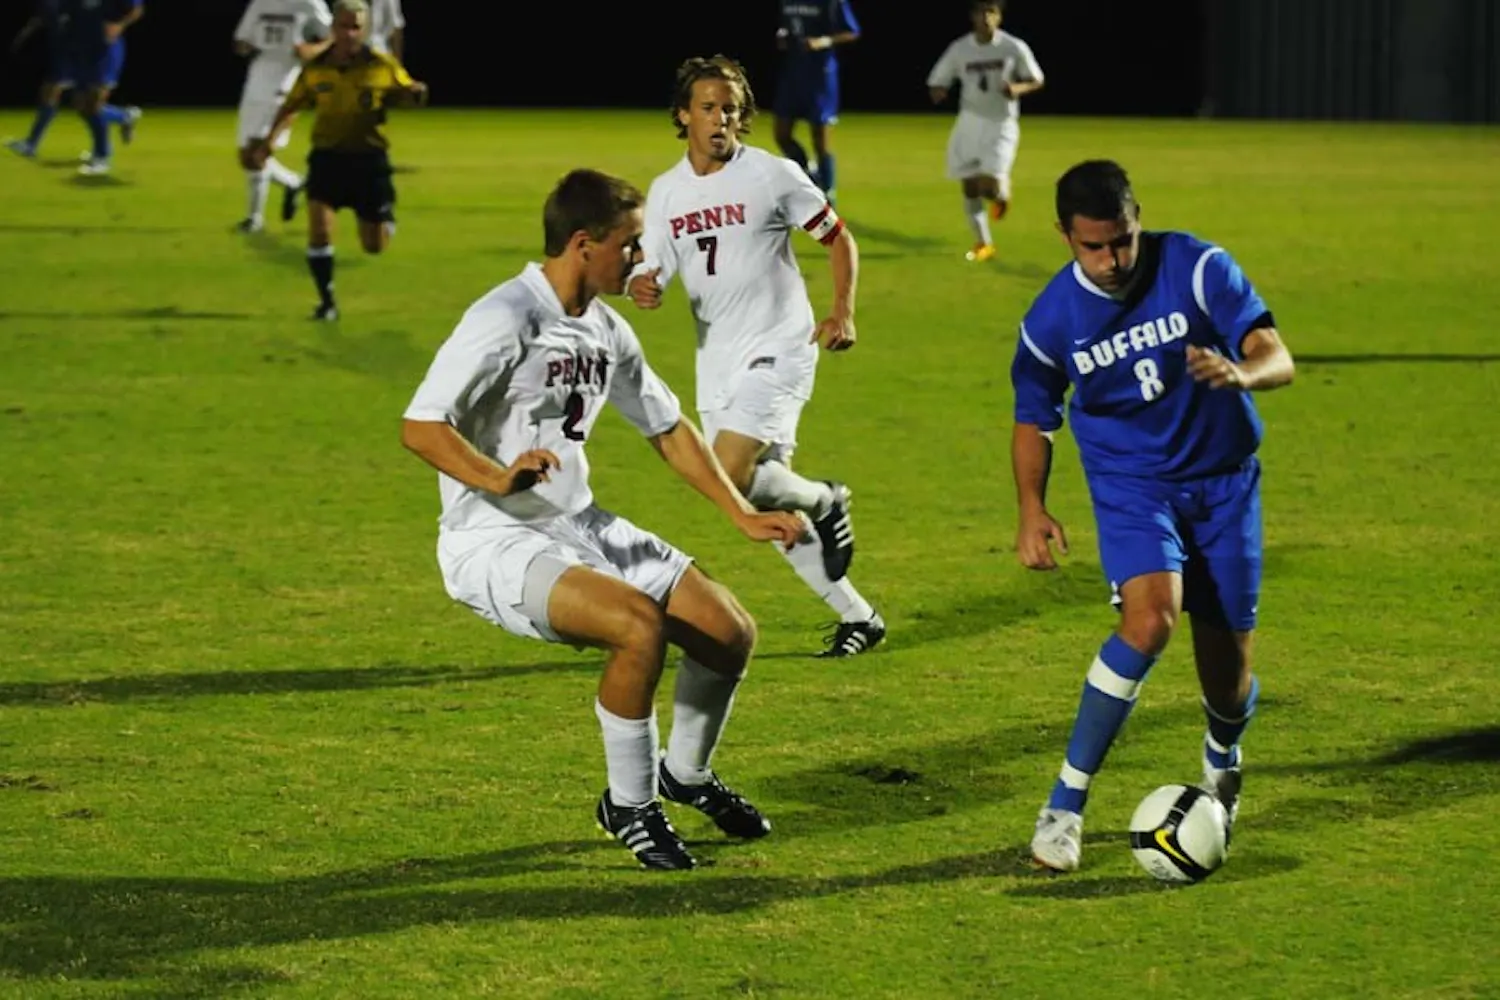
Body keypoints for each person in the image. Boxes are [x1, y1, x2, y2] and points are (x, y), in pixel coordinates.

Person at [401, 168, 807, 871]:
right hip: (493, 538)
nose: (640, 258)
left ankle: (686, 775)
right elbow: (421, 425)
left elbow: (669, 427)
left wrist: (742, 513)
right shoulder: (505, 317)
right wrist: (496, 477)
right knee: (636, 627)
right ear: (584, 242)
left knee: (729, 632)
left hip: (579, 524)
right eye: (630, 243)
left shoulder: (605, 326)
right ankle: (631, 805)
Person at [1009, 159, 1296, 872]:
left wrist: (1241, 373)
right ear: (1065, 237)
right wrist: (1031, 509)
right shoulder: (1050, 320)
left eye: (1123, 242)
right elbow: (1033, 419)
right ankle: (1064, 806)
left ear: (1138, 219)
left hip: (1226, 482)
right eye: (1094, 247)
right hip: (1134, 485)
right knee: (1149, 619)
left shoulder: (1199, 268)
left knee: (1226, 677)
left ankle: (1222, 758)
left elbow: (1275, 354)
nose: (1111, 261)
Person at [627, 55, 886, 659]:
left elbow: (837, 238)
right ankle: (859, 615)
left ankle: (827, 499)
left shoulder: (773, 175)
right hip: (716, 361)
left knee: (732, 471)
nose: (720, 119)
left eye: (731, 110)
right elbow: (652, 265)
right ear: (683, 115)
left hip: (781, 346)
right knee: (757, 502)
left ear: (744, 119)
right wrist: (645, 283)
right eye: (709, 107)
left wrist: (841, 310)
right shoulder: (665, 192)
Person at [248, 0, 426, 321]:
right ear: (333, 28)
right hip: (327, 158)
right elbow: (291, 106)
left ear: (365, 29)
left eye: (356, 27)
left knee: (374, 245)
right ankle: (326, 301)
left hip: (369, 160)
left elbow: (406, 92)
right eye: (343, 26)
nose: (349, 33)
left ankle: (386, 218)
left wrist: (414, 94)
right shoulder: (316, 68)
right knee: (319, 230)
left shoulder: (381, 64)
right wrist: (268, 143)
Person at [926, 0, 1043, 262]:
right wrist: (939, 89)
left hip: (1001, 123)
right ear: (973, 16)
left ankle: (1001, 194)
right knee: (969, 186)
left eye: (992, 12)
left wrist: (1017, 89)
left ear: (999, 17)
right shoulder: (960, 48)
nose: (986, 17)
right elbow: (938, 78)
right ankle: (984, 243)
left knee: (988, 187)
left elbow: (1037, 79)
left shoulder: (1013, 47)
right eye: (981, 12)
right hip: (969, 122)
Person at [5, 0, 144, 174]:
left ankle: (102, 157)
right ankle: (123, 116)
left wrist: (118, 25)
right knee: (81, 106)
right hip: (81, 52)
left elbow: (136, 9)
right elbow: (56, 12)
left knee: (92, 103)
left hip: (105, 51)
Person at [231, 0, 333, 234]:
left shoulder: (308, 3)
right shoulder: (259, 2)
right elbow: (242, 38)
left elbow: (333, 37)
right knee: (246, 156)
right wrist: (244, 45)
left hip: (286, 78)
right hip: (257, 76)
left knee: (259, 151)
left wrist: (312, 49)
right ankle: (293, 183)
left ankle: (254, 220)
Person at [772, 0, 859, 205]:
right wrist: (783, 34)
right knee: (782, 135)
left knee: (820, 139)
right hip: (793, 72)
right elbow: (788, 25)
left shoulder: (832, 2)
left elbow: (852, 31)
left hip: (820, 75)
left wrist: (824, 41)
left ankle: (828, 194)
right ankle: (810, 174)